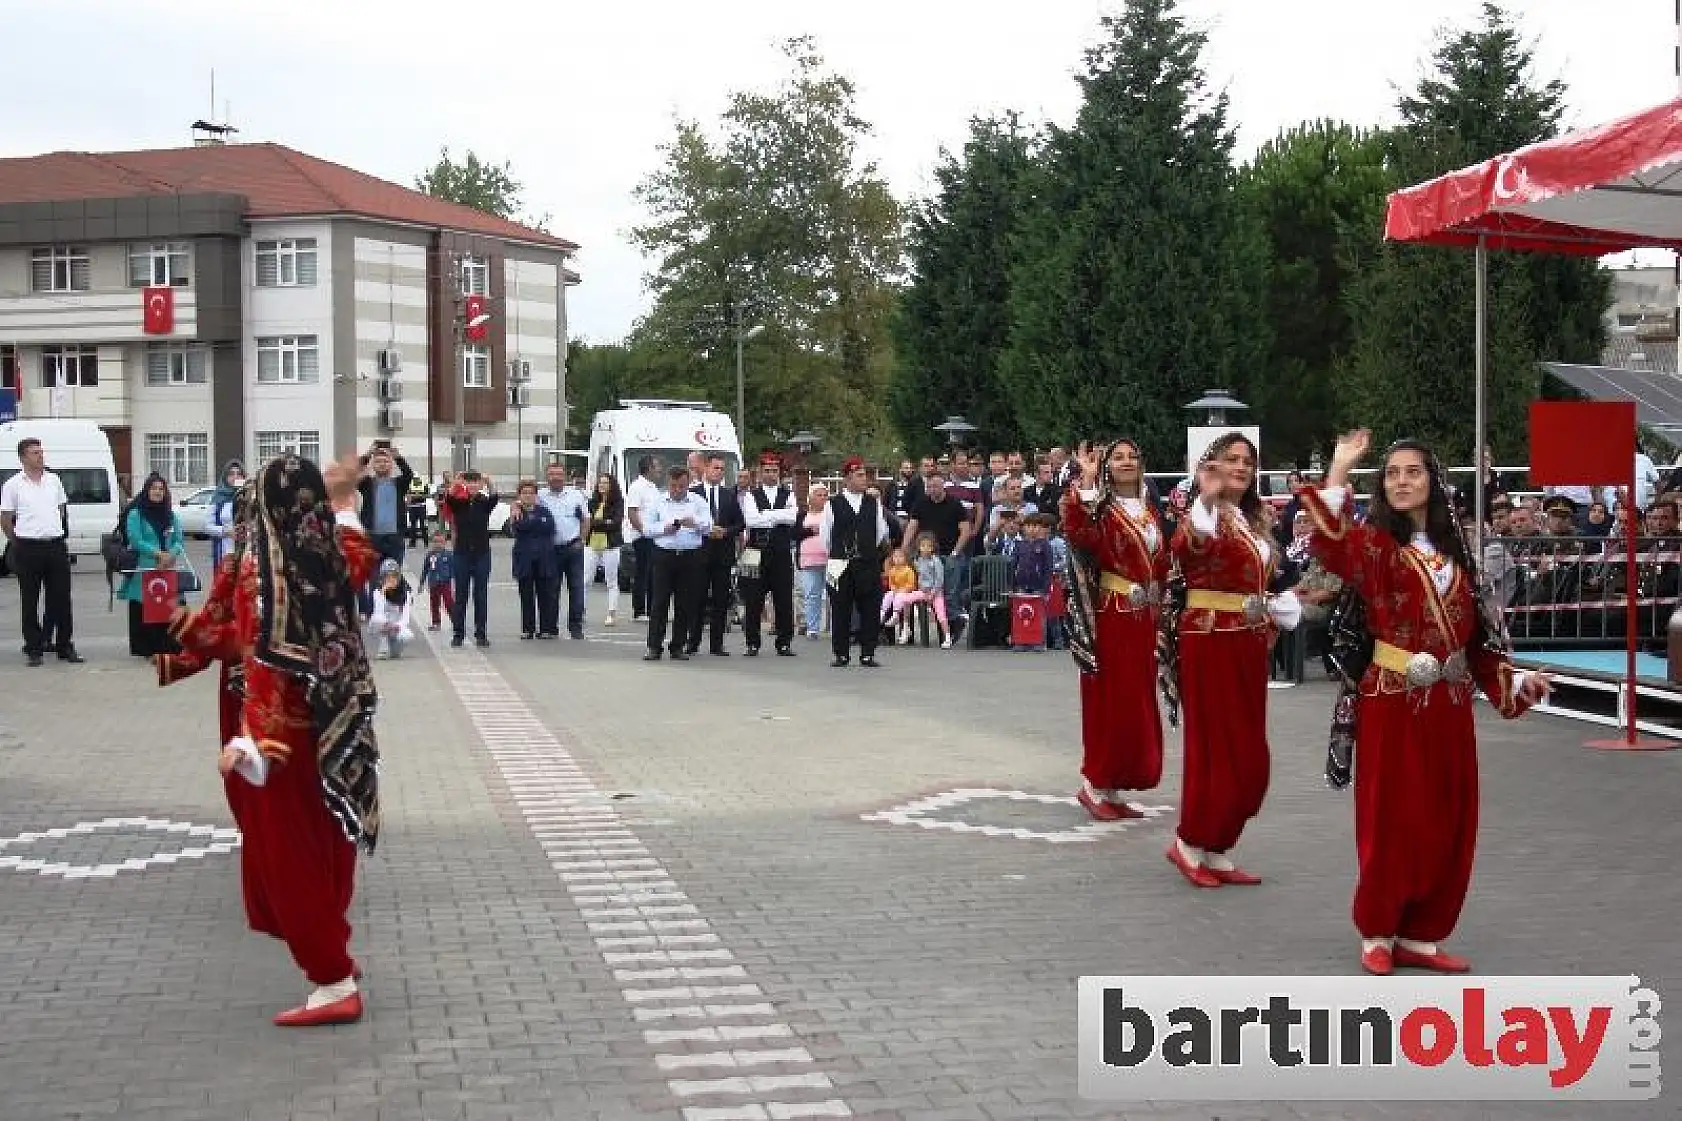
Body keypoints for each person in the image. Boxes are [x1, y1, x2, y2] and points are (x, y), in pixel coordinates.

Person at [1304, 430, 1551, 976]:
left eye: (1412, 472)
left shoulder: (1458, 562)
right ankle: (1378, 930)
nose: (1401, 481)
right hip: (1391, 702)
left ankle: (1422, 933)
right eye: (1392, 474)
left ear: (1434, 483)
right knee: (1392, 819)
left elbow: (1479, 646)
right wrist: (1341, 466)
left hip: (1451, 707)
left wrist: (1518, 687)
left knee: (1449, 818)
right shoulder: (1377, 550)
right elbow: (1331, 544)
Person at [166, 452, 380, 1026]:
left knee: (288, 854)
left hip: (276, 729)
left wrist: (253, 740)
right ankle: (333, 950)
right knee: (326, 836)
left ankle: (332, 979)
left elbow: (260, 651)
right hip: (332, 723)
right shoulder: (326, 553)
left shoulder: (265, 570)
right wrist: (340, 502)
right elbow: (359, 553)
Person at [1166, 433, 1300, 888]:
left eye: (1248, 461)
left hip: (1247, 640)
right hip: (1209, 638)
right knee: (1214, 746)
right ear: (1212, 465)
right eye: (1231, 459)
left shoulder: (1253, 518)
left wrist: (1276, 603)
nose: (1241, 467)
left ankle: (1219, 843)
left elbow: (1256, 579)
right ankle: (1189, 841)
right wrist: (1204, 499)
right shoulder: (1200, 515)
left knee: (1248, 752)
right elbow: (1186, 550)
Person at [1061, 440, 1169, 820]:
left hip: (1145, 620)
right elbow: (1079, 534)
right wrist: (1087, 482)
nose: (1127, 462)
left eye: (1133, 456)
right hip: (1113, 616)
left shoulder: (1151, 512)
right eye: (1118, 457)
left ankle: (1115, 785)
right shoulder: (1101, 511)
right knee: (1110, 699)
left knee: (1136, 702)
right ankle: (1094, 781)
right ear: (1106, 467)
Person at [1, 437, 81, 666]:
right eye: (35, 453)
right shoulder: (13, 484)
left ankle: (64, 645)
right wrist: (16, 541)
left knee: (61, 598)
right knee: (30, 599)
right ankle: (34, 648)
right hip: (28, 547)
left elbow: (61, 509)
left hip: (55, 545)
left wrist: (58, 530)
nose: (40, 456)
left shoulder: (54, 480)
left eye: (41, 451)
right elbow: (5, 517)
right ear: (23, 457)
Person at [822, 456, 890, 668]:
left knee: (870, 608)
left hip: (867, 563)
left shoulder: (873, 503)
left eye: (865, 475)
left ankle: (867, 653)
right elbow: (826, 536)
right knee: (840, 608)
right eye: (859, 476)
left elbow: (880, 531)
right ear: (847, 478)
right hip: (840, 564)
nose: (864, 480)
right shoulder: (832, 504)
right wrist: (839, 553)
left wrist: (867, 550)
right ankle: (841, 653)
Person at [643, 465, 712, 661]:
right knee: (659, 602)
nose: (677, 490)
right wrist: (664, 528)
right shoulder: (658, 501)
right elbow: (647, 528)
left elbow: (709, 526)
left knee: (684, 603)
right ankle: (654, 646)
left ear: (688, 483)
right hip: (664, 555)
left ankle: (678, 646)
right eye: (673, 486)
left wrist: (695, 523)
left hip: (690, 556)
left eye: (681, 486)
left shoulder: (698, 501)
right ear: (668, 483)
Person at [118, 473, 190, 658]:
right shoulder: (136, 514)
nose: (158, 492)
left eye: (161, 489)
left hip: (166, 567)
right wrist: (158, 554)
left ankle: (165, 646)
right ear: (146, 491)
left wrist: (170, 555)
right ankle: (146, 648)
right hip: (145, 566)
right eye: (154, 488)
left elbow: (179, 540)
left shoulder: (170, 515)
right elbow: (135, 539)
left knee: (165, 608)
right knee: (144, 607)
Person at [739, 451, 803, 657]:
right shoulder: (750, 495)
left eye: (774, 471)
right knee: (753, 599)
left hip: (781, 552)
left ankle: (784, 642)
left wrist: (766, 515)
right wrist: (777, 515)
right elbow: (751, 521)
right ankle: (752, 642)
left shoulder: (789, 494)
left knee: (784, 599)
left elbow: (792, 518)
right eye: (767, 470)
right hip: (755, 551)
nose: (770, 474)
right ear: (760, 472)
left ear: (779, 472)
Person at [689, 454, 744, 656]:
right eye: (715, 467)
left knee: (721, 600)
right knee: (697, 599)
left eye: (722, 469)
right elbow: (687, 521)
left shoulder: (729, 495)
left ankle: (717, 644)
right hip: (699, 553)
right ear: (705, 468)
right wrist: (704, 530)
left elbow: (740, 523)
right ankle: (692, 642)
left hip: (722, 554)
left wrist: (726, 532)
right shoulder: (693, 493)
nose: (718, 472)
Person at [355, 443, 414, 617]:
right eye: (378, 462)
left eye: (385, 462)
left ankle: (393, 608)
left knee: (393, 575)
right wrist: (366, 455)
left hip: (394, 537)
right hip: (373, 538)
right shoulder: (367, 485)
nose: (382, 464)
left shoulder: (399, 484)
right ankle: (376, 612)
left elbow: (409, 474)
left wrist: (398, 457)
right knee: (374, 577)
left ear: (391, 465)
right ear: (373, 465)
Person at [443, 471, 498, 648]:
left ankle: (481, 634)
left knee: (480, 595)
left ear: (480, 485)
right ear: (466, 485)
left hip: (482, 553)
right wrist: (456, 482)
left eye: (476, 482)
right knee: (460, 595)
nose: (473, 486)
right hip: (462, 554)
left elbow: (495, 496)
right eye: (470, 482)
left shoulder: (484, 503)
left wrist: (488, 480)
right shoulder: (460, 503)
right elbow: (449, 497)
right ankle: (458, 634)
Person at [536, 462, 591, 640]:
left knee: (576, 588)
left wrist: (582, 540)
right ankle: (551, 627)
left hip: (573, 547)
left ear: (565, 476)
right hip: (550, 549)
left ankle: (575, 626)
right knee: (551, 589)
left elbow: (585, 519)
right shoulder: (540, 496)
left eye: (559, 474)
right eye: (552, 474)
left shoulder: (576, 495)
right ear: (547, 477)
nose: (556, 478)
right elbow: (524, 505)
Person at [510, 480, 560, 640]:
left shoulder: (544, 511)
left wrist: (532, 523)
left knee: (545, 594)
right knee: (526, 595)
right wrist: (534, 523)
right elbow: (519, 528)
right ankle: (527, 628)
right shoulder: (516, 512)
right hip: (524, 558)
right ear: (519, 495)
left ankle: (546, 628)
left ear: (535, 495)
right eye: (524, 493)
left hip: (544, 558)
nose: (528, 496)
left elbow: (550, 527)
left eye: (531, 493)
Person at [624, 456, 664, 622]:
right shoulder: (637, 487)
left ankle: (652, 608)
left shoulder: (653, 487)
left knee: (653, 574)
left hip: (654, 535)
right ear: (649, 468)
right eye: (657, 466)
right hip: (642, 536)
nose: (660, 469)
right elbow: (632, 512)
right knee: (643, 573)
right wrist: (642, 530)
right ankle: (639, 610)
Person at [586, 473, 626, 627]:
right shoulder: (592, 502)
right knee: (586, 579)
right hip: (592, 543)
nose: (601, 485)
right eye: (600, 483)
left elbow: (616, 523)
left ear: (611, 485)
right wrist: (604, 522)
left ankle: (611, 613)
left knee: (611, 580)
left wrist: (597, 523)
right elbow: (588, 522)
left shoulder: (618, 502)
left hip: (610, 544)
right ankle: (580, 610)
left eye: (605, 483)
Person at [797, 484, 830, 640]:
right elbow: (794, 533)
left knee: (834, 595)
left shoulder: (831, 514)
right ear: (810, 498)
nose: (823, 498)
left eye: (825, 495)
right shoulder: (802, 515)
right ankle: (812, 628)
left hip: (830, 559)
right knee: (812, 594)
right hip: (809, 559)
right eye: (819, 495)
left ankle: (835, 626)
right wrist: (810, 530)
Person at [368, 559, 413, 660]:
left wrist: (397, 626)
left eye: (394, 576)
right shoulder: (378, 591)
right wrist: (383, 592)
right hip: (383, 624)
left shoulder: (406, 593)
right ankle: (383, 647)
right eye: (388, 576)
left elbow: (406, 618)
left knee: (407, 635)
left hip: (397, 625)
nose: (391, 579)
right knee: (377, 620)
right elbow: (378, 612)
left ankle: (395, 649)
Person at [206, 459, 247, 568]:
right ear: (225, 477)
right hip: (224, 551)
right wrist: (226, 532)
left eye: (239, 474)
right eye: (231, 474)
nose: (235, 477)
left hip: (246, 552)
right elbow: (208, 527)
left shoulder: (250, 497)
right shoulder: (218, 498)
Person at [420, 530, 456, 631]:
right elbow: (425, 569)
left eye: (440, 542)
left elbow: (453, 569)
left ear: (444, 543)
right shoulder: (430, 555)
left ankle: (456, 620)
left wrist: (454, 582)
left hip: (445, 582)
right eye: (435, 542)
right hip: (433, 583)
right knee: (434, 603)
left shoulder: (448, 555)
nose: (437, 544)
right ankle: (436, 622)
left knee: (449, 602)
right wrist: (421, 583)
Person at [880, 546, 919, 639]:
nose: (897, 559)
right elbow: (891, 583)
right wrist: (893, 588)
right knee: (888, 595)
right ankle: (882, 612)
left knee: (899, 596)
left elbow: (912, 584)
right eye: (895, 557)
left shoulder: (908, 570)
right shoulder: (892, 570)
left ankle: (896, 614)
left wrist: (904, 589)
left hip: (906, 590)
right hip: (896, 590)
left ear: (905, 558)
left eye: (900, 557)